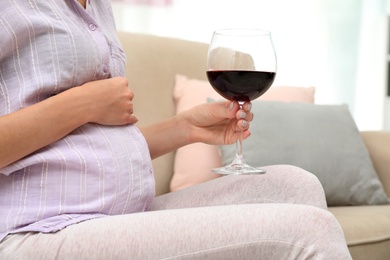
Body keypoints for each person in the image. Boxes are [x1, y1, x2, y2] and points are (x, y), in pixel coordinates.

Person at [0, 1, 352, 259]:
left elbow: (86, 146)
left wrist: (185, 128)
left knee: (294, 185)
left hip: (115, 216)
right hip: (37, 230)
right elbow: (88, 109)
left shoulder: (98, 7)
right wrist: (83, 104)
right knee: (310, 233)